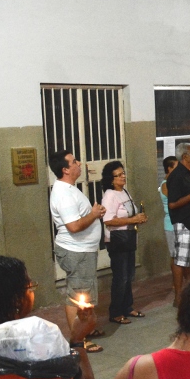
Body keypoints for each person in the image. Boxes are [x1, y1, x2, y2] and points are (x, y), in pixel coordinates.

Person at [48, 150, 107, 351]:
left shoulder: (69, 189)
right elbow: (73, 226)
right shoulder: (64, 194)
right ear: (65, 169)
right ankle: (78, 339)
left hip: (83, 249)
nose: (79, 163)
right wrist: (94, 214)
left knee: (84, 292)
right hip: (76, 250)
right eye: (74, 161)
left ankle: (85, 329)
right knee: (77, 295)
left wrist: (94, 214)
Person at [100, 161, 147, 326]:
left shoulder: (124, 192)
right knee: (121, 277)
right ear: (111, 179)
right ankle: (116, 312)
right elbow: (108, 220)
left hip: (128, 238)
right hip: (117, 240)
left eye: (123, 173)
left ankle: (127, 307)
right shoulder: (110, 195)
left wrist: (139, 218)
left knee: (129, 275)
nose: (123, 177)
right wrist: (132, 220)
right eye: (118, 175)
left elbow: (129, 214)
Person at [167, 142, 190, 307]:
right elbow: (172, 204)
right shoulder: (176, 176)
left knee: (188, 260)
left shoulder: (189, 173)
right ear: (184, 156)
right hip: (184, 223)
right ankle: (178, 297)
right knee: (180, 260)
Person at [160, 156, 178, 267]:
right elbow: (175, 200)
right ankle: (176, 278)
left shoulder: (173, 182)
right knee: (175, 255)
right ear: (169, 168)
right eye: (176, 167)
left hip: (179, 221)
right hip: (171, 224)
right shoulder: (165, 184)